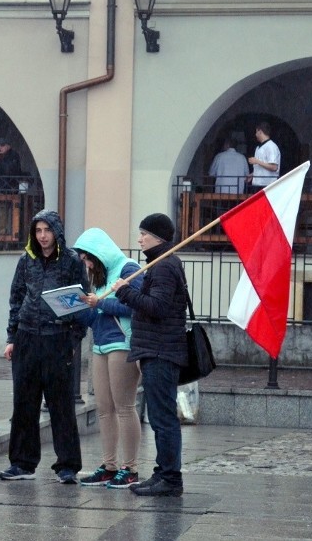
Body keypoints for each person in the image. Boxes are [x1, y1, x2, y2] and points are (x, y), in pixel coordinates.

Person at [0, 210, 88, 484]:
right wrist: (11, 337)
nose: (42, 236)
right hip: (27, 337)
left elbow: (81, 300)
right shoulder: (27, 260)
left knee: (61, 404)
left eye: (47, 230)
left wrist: (74, 339)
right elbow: (16, 298)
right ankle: (22, 463)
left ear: (56, 231)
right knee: (24, 403)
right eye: (38, 231)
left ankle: (67, 465)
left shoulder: (72, 261)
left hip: (57, 338)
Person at [112, 213, 187, 497]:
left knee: (163, 418)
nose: (139, 238)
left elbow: (156, 307)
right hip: (155, 349)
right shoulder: (160, 264)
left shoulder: (165, 266)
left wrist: (125, 292)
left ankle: (170, 479)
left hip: (161, 351)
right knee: (159, 417)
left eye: (144, 233)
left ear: (159, 238)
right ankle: (163, 472)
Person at [73, 228, 144, 489]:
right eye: (83, 260)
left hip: (121, 343)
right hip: (101, 344)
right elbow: (96, 317)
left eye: (88, 258)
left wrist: (99, 303)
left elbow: (134, 305)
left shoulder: (128, 269)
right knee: (104, 408)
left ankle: (131, 468)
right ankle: (109, 465)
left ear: (100, 253)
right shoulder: (101, 277)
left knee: (124, 406)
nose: (87, 264)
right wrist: (77, 309)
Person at [247, 122, 280, 191]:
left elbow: (274, 167)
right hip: (257, 184)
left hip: (267, 185)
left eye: (256, 132)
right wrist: (253, 174)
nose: (255, 135)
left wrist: (257, 161)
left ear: (260, 131)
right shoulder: (258, 148)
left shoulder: (271, 146)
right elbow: (263, 166)